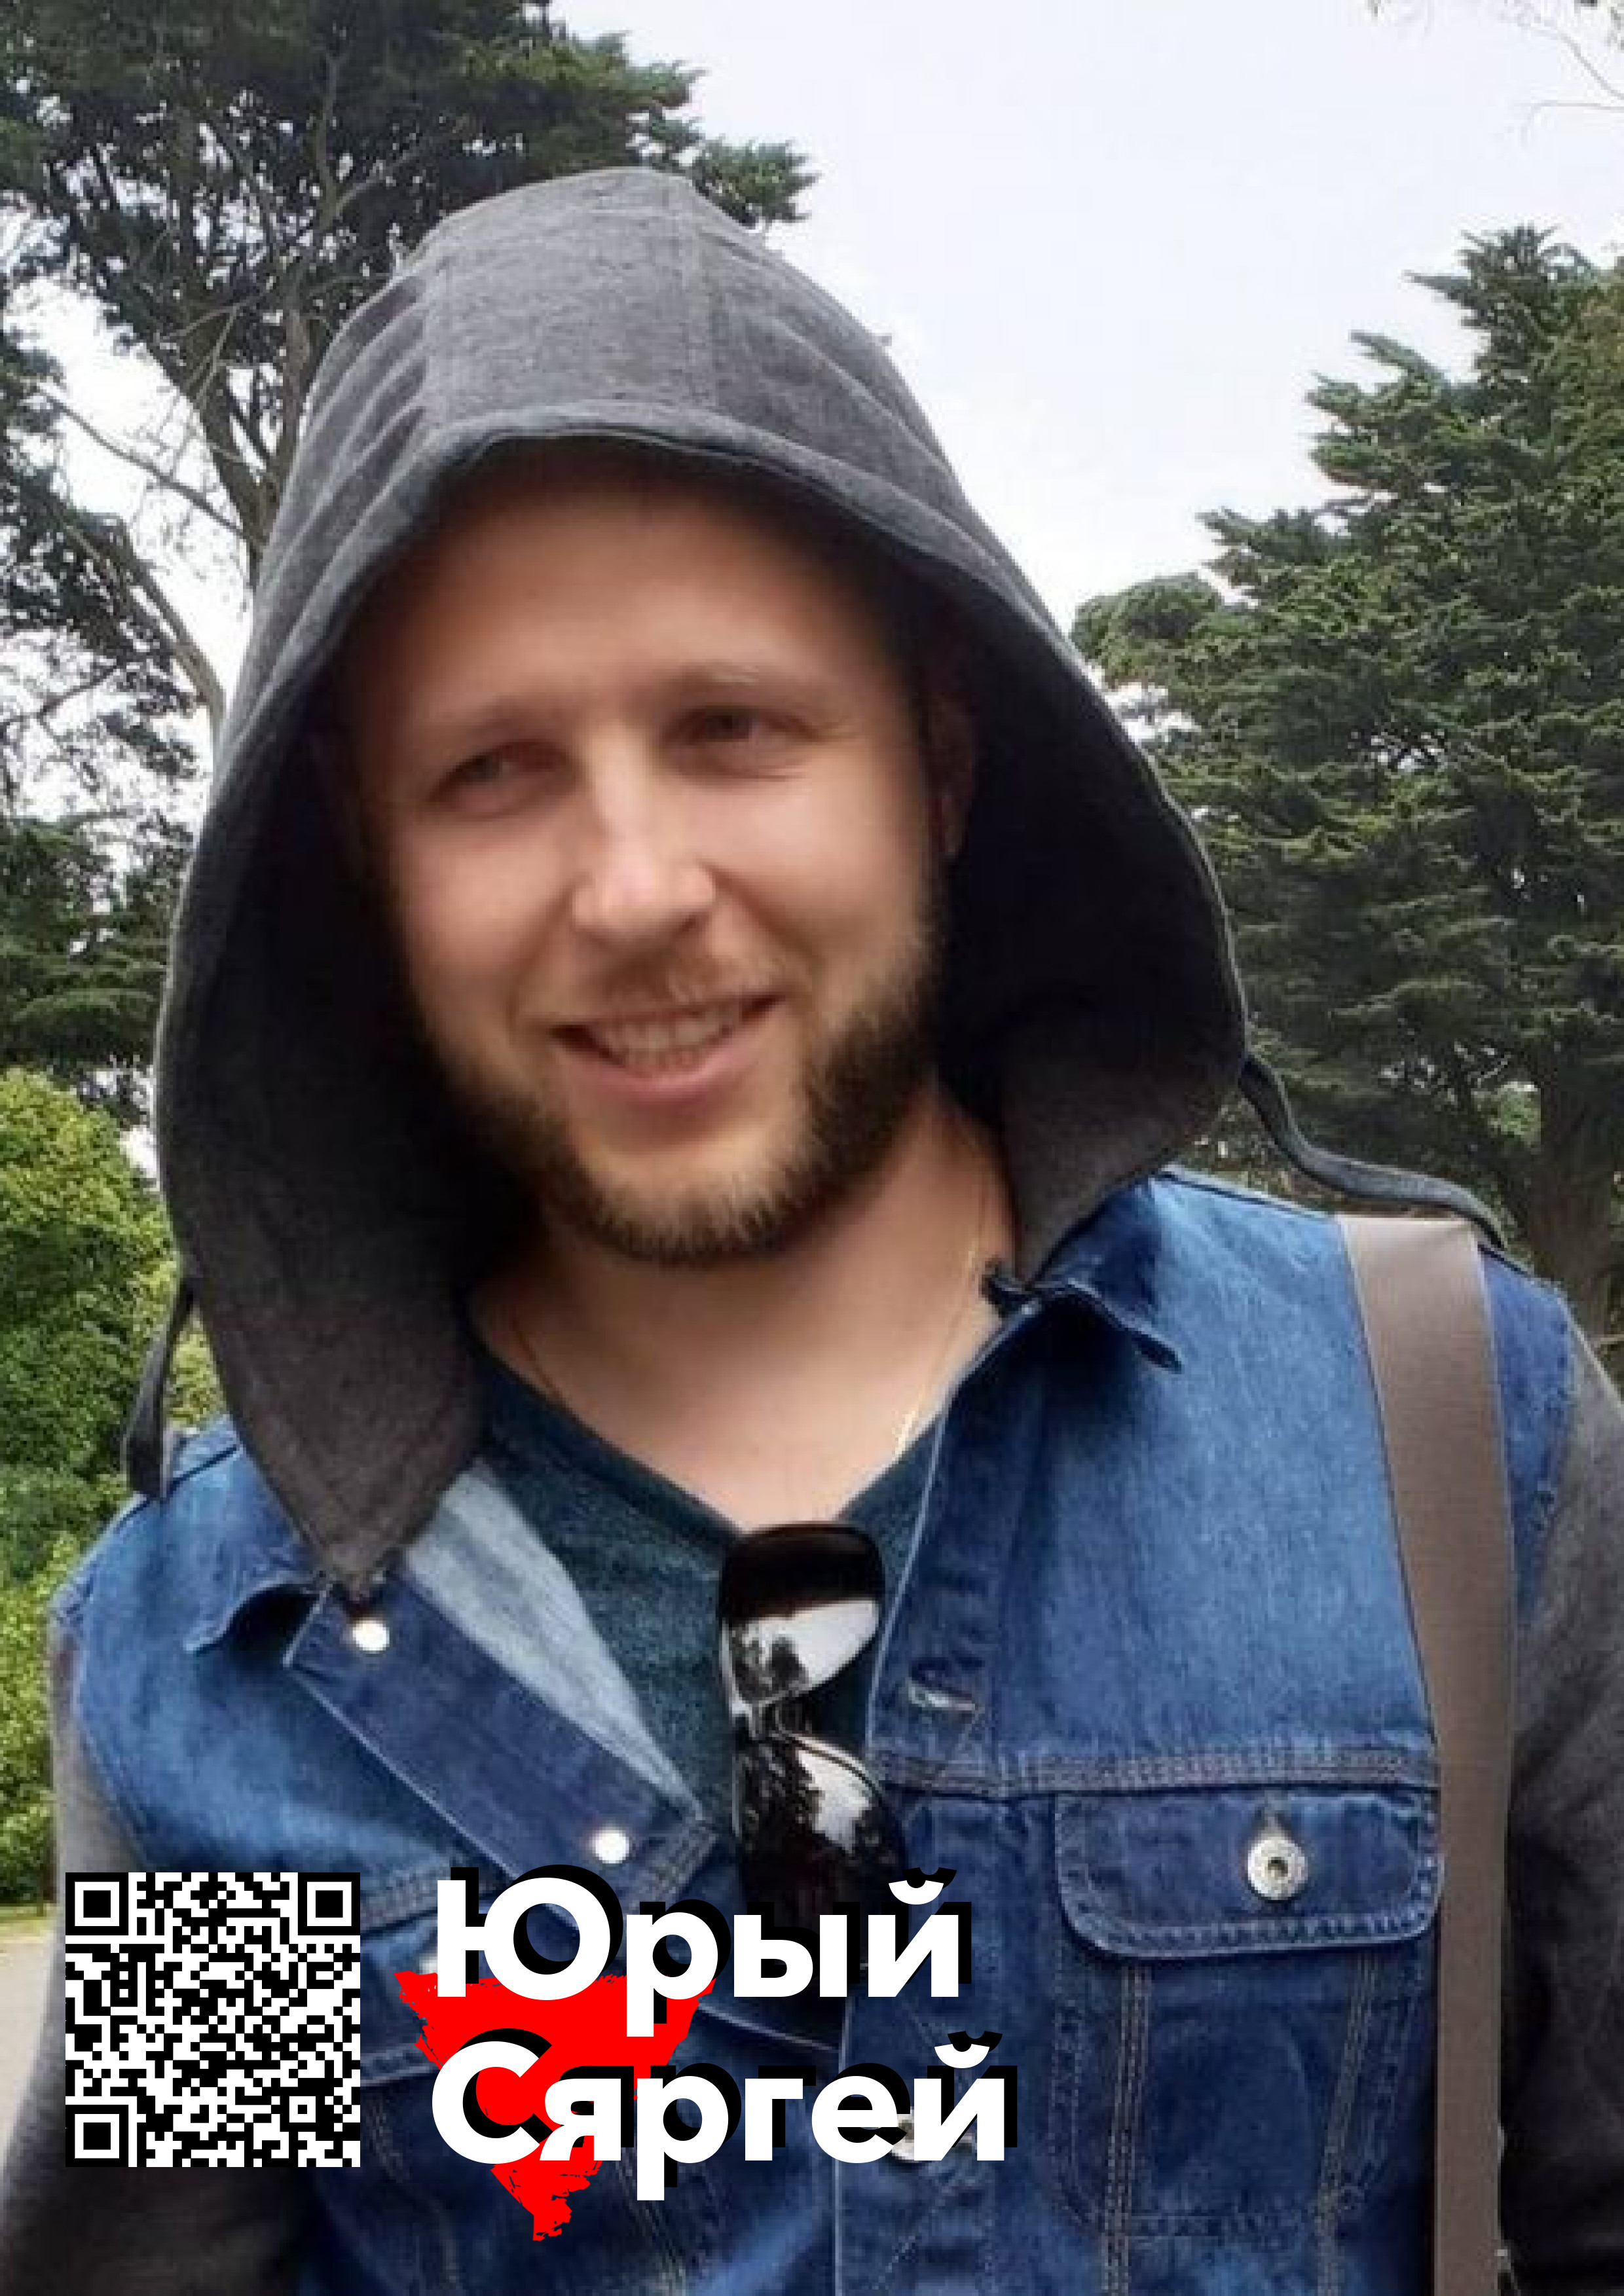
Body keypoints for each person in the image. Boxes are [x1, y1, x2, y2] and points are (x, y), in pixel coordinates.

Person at [1, 166, 1620, 2295]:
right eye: (492, 772)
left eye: (733, 729)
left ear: (939, 758)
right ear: (365, 863)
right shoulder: (218, 1657)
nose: (636, 888)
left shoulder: (1450, 1437)